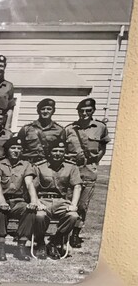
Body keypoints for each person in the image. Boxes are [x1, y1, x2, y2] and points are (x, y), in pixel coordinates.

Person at [64, 97, 109, 248]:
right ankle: (64, 232)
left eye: (88, 111)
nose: (84, 113)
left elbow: (103, 146)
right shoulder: (69, 129)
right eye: (81, 111)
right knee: (68, 201)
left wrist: (96, 160)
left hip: (89, 170)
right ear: (77, 111)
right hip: (72, 169)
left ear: (93, 111)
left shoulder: (100, 127)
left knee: (83, 204)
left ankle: (75, 234)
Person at [30, 141, 82, 259]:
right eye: (54, 151)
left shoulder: (72, 167)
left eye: (60, 151)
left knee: (73, 216)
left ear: (64, 153)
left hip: (61, 201)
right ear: (49, 152)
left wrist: (73, 204)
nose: (57, 153)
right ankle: (40, 243)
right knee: (40, 216)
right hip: (43, 200)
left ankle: (55, 241)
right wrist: (37, 202)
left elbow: (77, 186)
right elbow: (32, 187)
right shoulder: (39, 167)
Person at [0, 137, 37, 261]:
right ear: (7, 150)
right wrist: (2, 201)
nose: (16, 151)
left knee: (30, 211)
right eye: (13, 148)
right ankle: (0, 248)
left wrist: (33, 201)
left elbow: (29, 183)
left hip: (18, 201)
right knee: (0, 211)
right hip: (2, 199)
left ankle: (21, 247)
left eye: (19, 148)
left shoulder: (26, 165)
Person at [18, 98, 67, 163]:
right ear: (38, 111)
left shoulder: (59, 130)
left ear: (53, 111)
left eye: (49, 109)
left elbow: (61, 150)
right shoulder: (26, 129)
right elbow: (18, 148)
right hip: (28, 164)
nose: (45, 111)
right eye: (43, 109)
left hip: (48, 165)